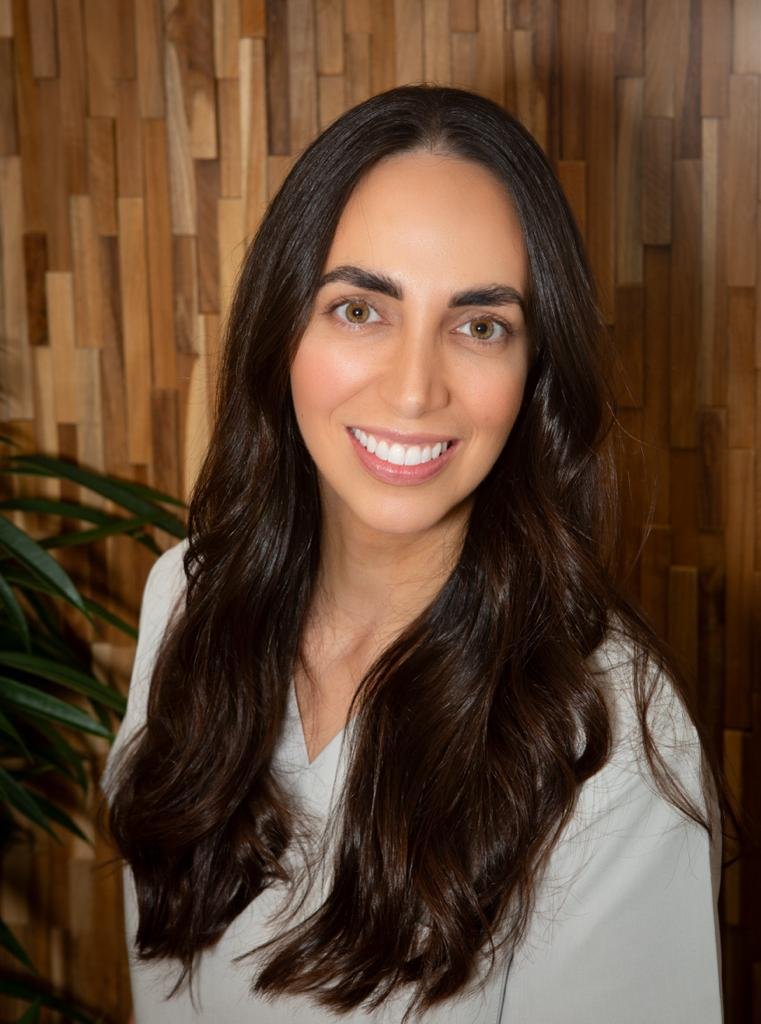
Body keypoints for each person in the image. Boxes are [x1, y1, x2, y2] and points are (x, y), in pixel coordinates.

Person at [102, 84, 725, 1023]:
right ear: (283, 330)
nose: (413, 389)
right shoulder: (185, 601)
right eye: (360, 309)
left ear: (534, 375)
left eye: (480, 326)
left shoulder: (610, 738)